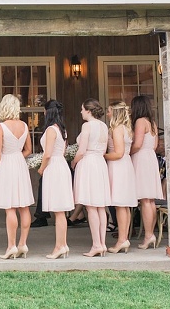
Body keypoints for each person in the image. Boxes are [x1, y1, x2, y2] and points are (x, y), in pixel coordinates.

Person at [0, 94, 34, 259]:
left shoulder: (1, 127)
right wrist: (18, 157)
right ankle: (23, 243)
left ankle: (11, 246)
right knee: (24, 206)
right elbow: (28, 150)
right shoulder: (24, 125)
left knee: (10, 207)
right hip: (20, 164)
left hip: (6, 164)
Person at [71, 98, 111, 257]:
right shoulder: (104, 126)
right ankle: (102, 243)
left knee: (91, 206)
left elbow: (81, 150)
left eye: (82, 109)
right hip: (100, 163)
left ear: (88, 110)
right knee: (100, 206)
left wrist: (74, 162)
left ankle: (96, 244)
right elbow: (104, 149)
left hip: (88, 163)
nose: (81, 112)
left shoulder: (87, 126)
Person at [37, 100, 74, 259]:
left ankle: (60, 246)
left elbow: (47, 154)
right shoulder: (62, 129)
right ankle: (63, 245)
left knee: (58, 211)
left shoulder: (51, 130)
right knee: (61, 211)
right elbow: (63, 151)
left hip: (54, 167)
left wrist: (41, 168)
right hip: (61, 165)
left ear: (48, 112)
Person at [104, 101, 138, 254]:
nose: (107, 113)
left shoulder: (117, 129)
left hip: (118, 166)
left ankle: (122, 240)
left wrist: (102, 155)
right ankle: (124, 238)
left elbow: (118, 153)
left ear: (115, 112)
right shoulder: (127, 128)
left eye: (109, 111)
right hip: (125, 165)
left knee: (120, 205)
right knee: (124, 205)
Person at [130, 95, 163, 250]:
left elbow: (137, 144)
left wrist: (127, 153)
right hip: (150, 158)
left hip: (141, 158)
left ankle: (148, 235)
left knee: (144, 200)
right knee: (150, 200)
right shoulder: (152, 123)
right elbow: (155, 146)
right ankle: (150, 234)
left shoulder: (140, 121)